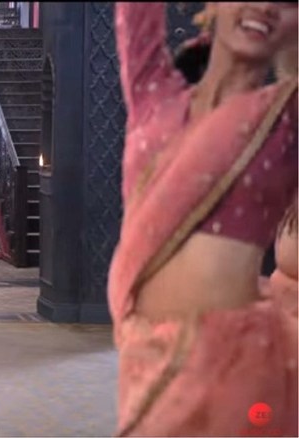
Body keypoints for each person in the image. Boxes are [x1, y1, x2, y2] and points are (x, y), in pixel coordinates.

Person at [108, 3, 297, 436]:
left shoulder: (285, 121)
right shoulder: (153, 97)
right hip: (143, 354)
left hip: (237, 366)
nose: (266, 6)